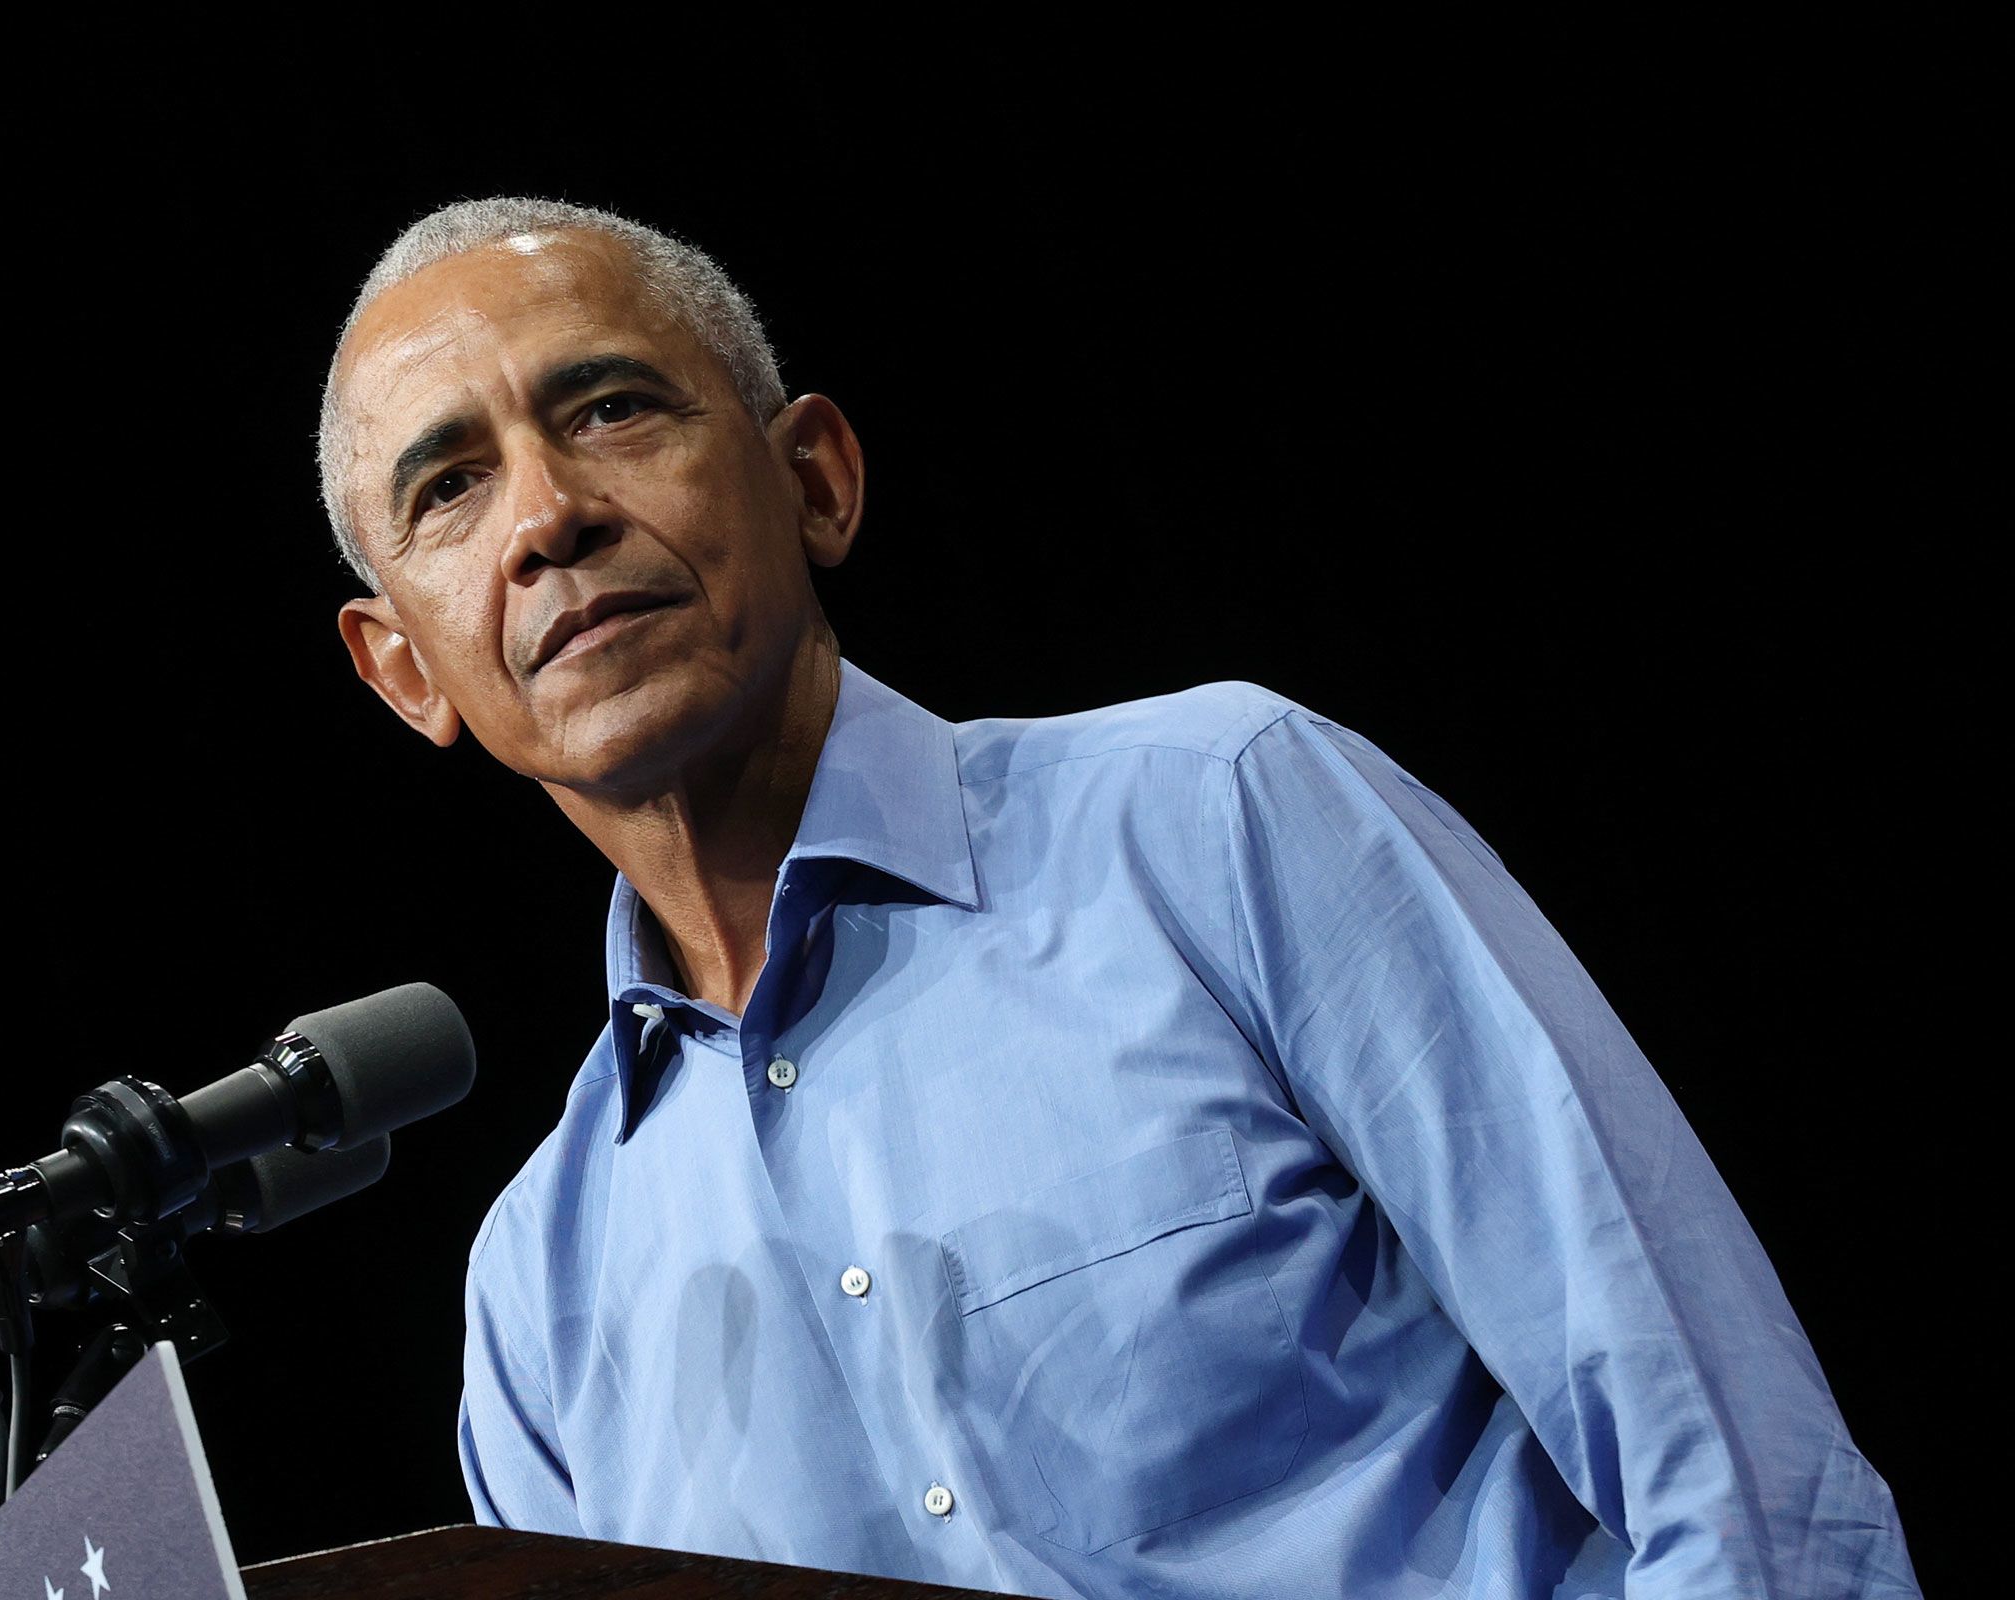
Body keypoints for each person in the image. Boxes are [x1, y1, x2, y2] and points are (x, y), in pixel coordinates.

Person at [312, 197, 1921, 1599]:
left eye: (608, 410)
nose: (546, 518)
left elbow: (1734, 1475)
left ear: (816, 479)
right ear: (403, 671)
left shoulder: (1219, 815)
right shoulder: (540, 1293)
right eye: (448, 489)